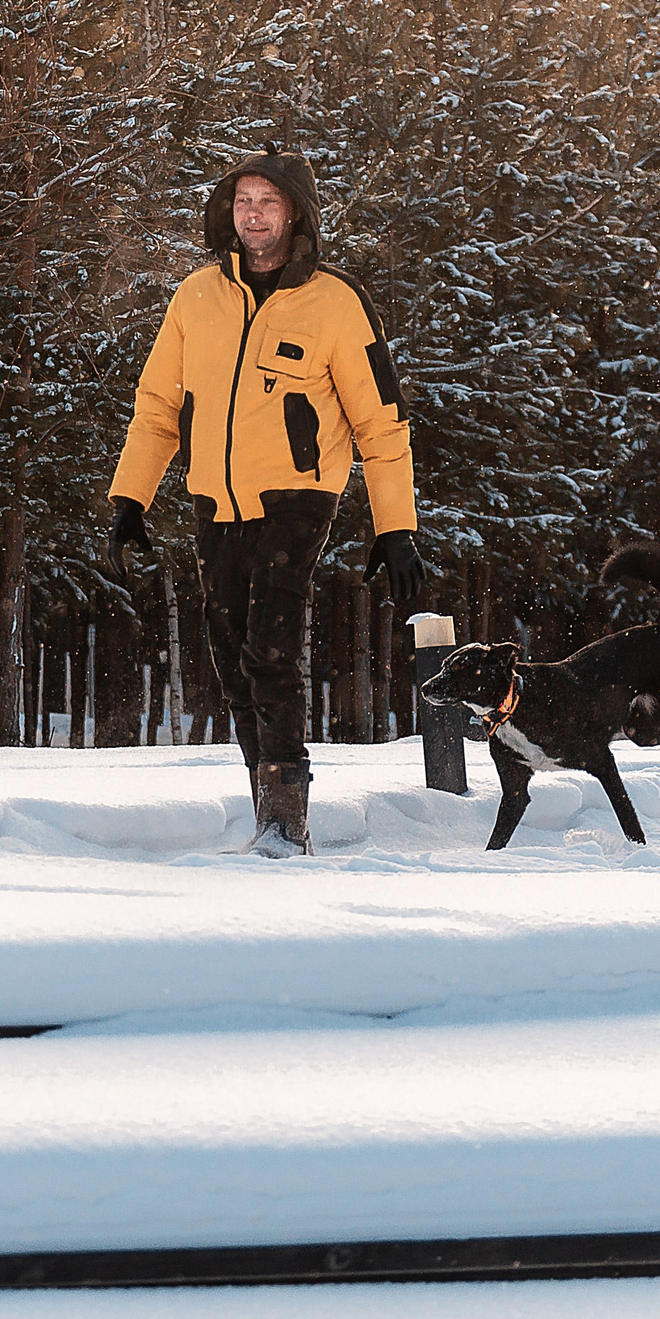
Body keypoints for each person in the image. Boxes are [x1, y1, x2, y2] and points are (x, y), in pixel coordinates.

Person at [103, 149, 424, 856]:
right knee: (232, 659)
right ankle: (267, 805)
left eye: (268, 203)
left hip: (296, 498)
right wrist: (131, 495)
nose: (253, 215)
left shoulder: (336, 302)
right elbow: (158, 404)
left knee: (272, 651)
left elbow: (382, 420)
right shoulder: (196, 297)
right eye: (243, 201)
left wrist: (396, 526)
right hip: (213, 500)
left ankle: (287, 824)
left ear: (296, 214)